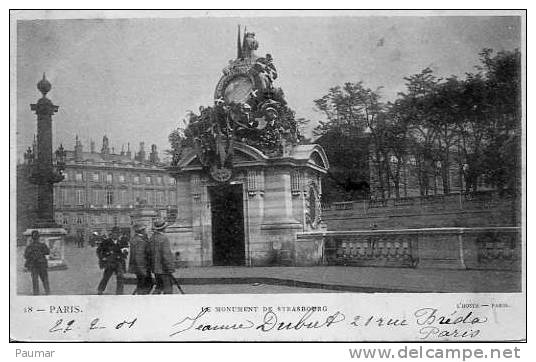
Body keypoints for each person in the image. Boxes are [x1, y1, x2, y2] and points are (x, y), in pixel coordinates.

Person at [96, 227, 129, 295]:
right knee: (106, 277)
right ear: (112, 234)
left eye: (118, 234)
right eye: (115, 233)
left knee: (120, 277)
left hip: (119, 262)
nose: (116, 235)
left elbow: (126, 250)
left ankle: (119, 292)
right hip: (110, 262)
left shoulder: (122, 241)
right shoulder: (106, 242)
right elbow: (98, 250)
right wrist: (102, 258)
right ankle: (100, 290)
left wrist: (125, 252)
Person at [149, 220, 175, 294]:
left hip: (155, 268)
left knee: (159, 287)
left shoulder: (152, 238)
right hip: (164, 268)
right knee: (168, 288)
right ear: (163, 228)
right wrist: (170, 267)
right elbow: (166, 254)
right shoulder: (164, 238)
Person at [24, 230, 50, 295]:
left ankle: (36, 293)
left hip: (33, 265)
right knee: (45, 279)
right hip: (42, 264)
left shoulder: (29, 246)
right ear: (39, 237)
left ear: (32, 238)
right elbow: (47, 252)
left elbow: (26, 255)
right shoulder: (42, 245)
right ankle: (47, 292)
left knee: (35, 280)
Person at [128, 224, 153, 294]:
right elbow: (139, 257)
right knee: (146, 285)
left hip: (139, 267)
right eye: (145, 229)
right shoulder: (140, 241)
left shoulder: (137, 238)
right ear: (141, 231)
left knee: (141, 285)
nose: (146, 231)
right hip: (142, 267)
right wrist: (142, 270)